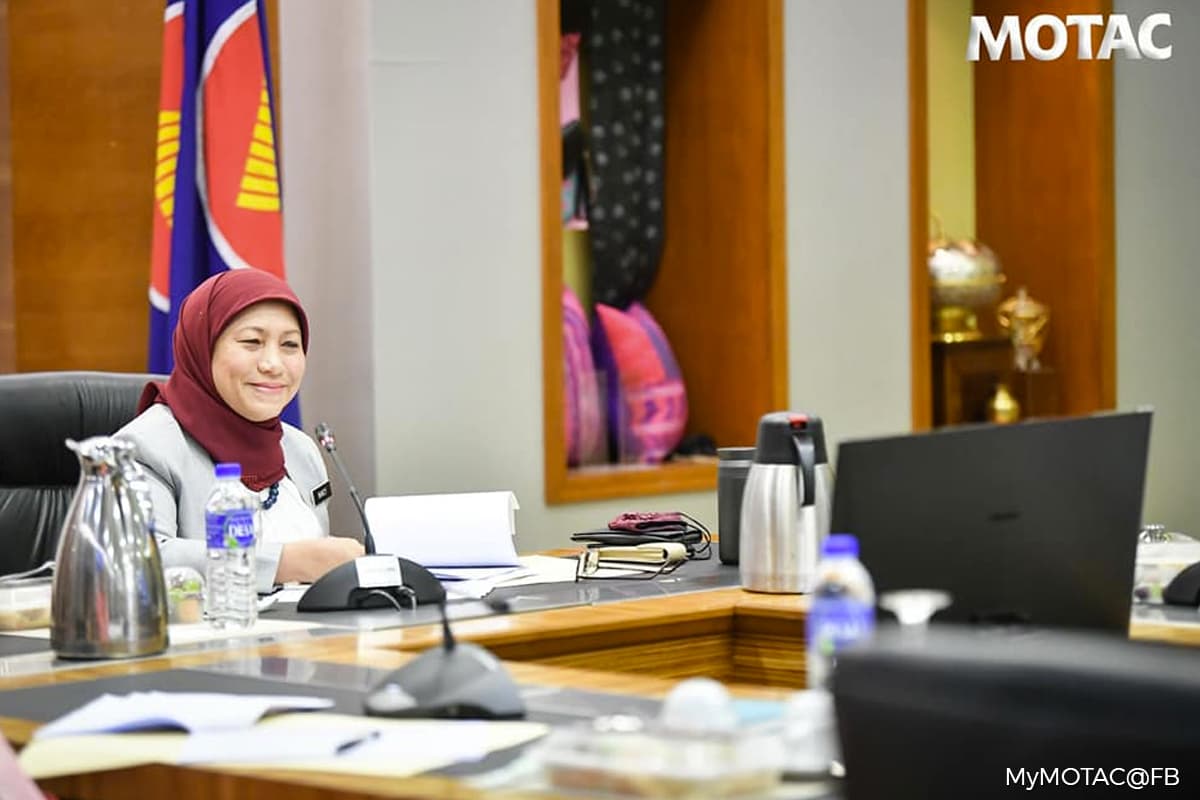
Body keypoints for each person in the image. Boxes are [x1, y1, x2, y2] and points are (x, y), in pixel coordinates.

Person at [118, 269, 363, 593]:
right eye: (252, 342)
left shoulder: (300, 449)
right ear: (204, 347)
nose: (273, 364)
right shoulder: (145, 447)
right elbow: (139, 560)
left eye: (290, 345)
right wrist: (283, 563)